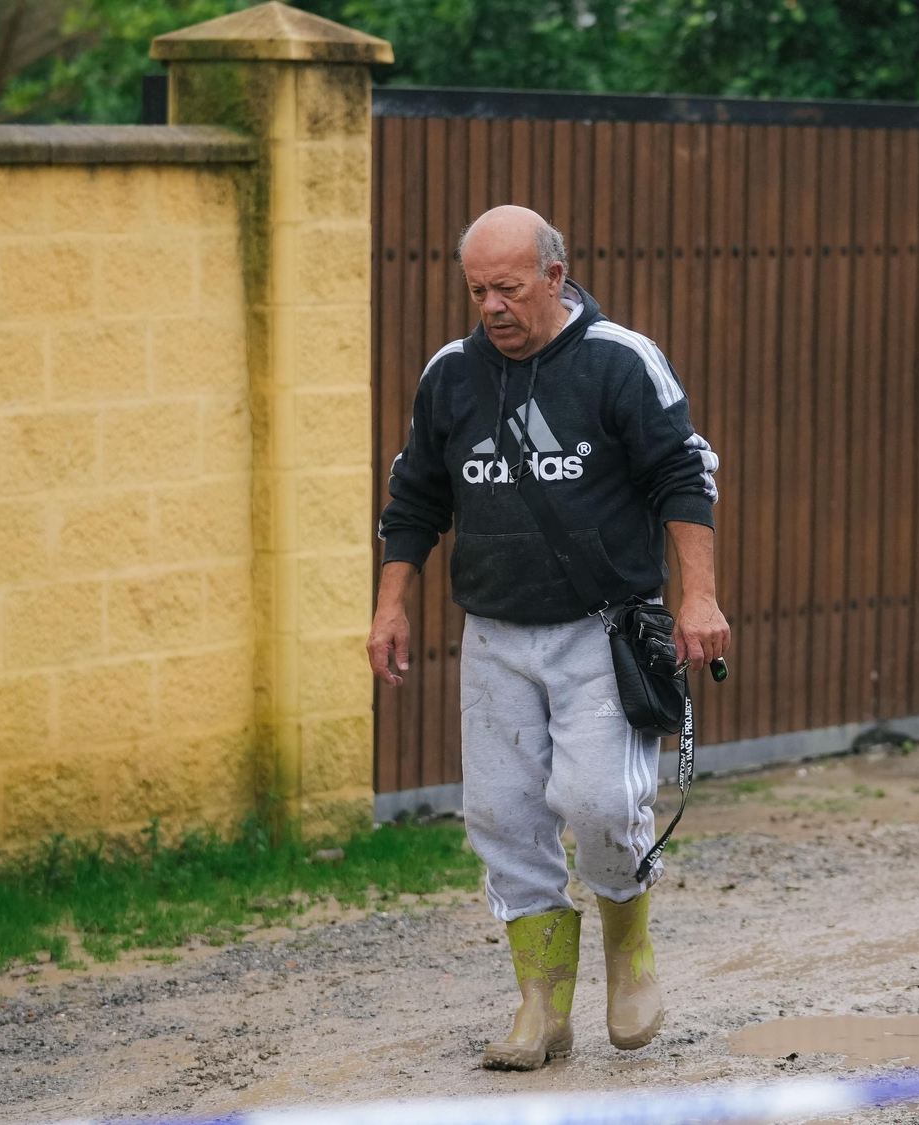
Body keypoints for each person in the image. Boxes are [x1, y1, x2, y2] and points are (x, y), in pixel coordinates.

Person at [369, 205, 729, 1070]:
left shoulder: (619, 360)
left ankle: (629, 950)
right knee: (501, 817)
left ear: (555, 277)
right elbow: (415, 497)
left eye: (508, 288)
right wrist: (391, 605)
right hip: (494, 636)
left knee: (600, 803)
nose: (491, 306)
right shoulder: (451, 375)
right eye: (477, 291)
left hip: (601, 632)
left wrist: (699, 597)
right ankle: (540, 1007)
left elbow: (684, 476)